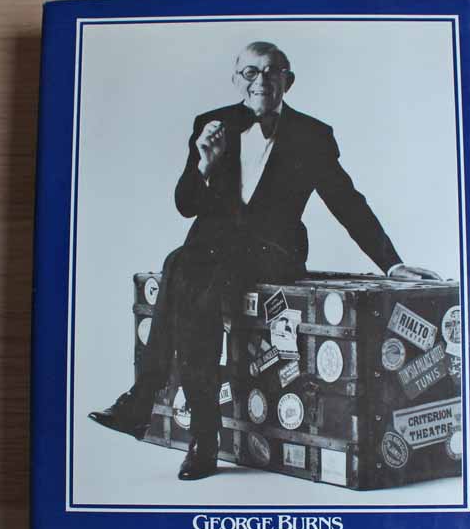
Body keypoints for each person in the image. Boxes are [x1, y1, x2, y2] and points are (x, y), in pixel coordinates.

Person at [90, 41, 440, 480]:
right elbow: (185, 204)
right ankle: (196, 431)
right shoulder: (211, 125)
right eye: (251, 72)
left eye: (273, 71)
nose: (262, 81)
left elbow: (347, 203)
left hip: (273, 253)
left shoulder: (313, 135)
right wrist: (203, 164)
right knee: (188, 271)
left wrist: (392, 263)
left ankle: (157, 409)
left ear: (288, 81)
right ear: (236, 80)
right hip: (213, 252)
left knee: (181, 266)